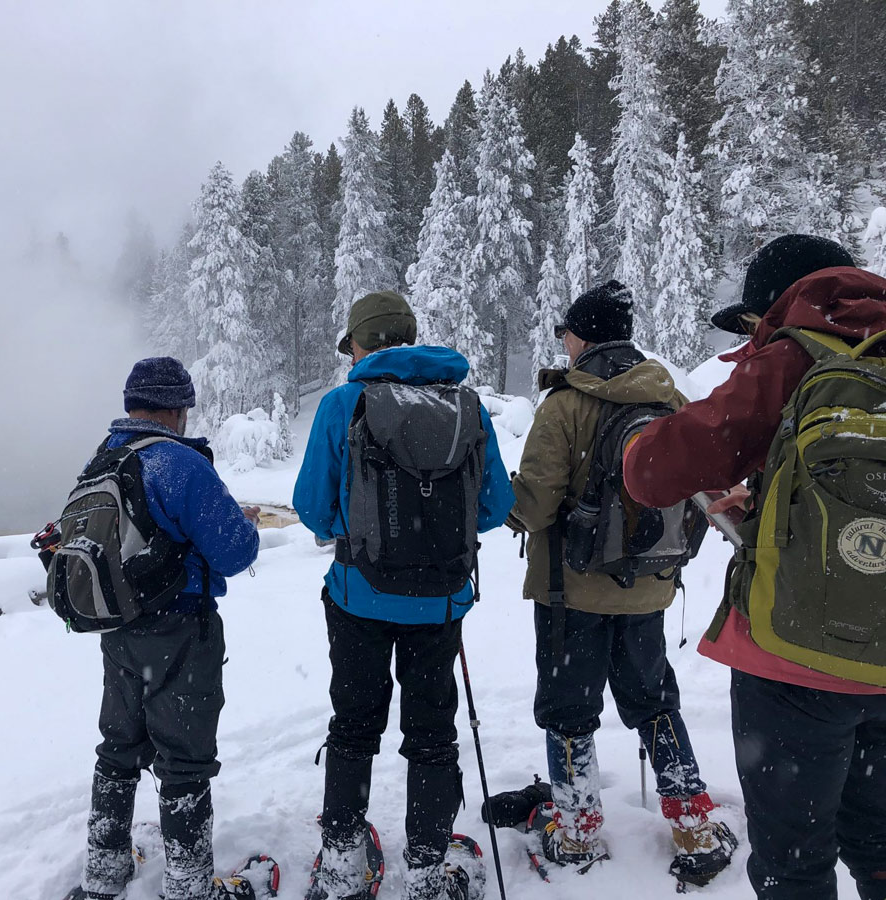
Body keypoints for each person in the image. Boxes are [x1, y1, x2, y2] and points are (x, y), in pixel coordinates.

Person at [624, 234, 886, 900]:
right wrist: (774, 495)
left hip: (797, 660)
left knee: (793, 863)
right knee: (880, 842)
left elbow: (654, 473)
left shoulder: (796, 353)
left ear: (779, 303)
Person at [507, 281, 734, 885]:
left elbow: (534, 506)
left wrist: (504, 499)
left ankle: (578, 834)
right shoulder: (670, 400)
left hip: (569, 592)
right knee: (654, 702)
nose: (564, 340)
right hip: (649, 589)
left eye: (567, 332)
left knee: (568, 709)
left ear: (582, 336)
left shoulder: (564, 405)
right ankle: (692, 822)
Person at [293, 291, 514, 900]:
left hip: (358, 597)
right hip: (441, 601)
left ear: (361, 345)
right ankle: (427, 867)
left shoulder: (344, 405)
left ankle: (342, 861)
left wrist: (360, 529)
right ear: (411, 337)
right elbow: (496, 505)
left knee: (355, 722)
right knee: (432, 730)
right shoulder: (467, 406)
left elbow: (313, 506)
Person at [78, 357, 261, 900]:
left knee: (118, 745)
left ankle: (104, 874)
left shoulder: (103, 458)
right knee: (183, 759)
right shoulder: (179, 465)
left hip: (119, 630)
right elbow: (233, 552)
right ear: (178, 409)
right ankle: (187, 887)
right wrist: (244, 524)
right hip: (180, 629)